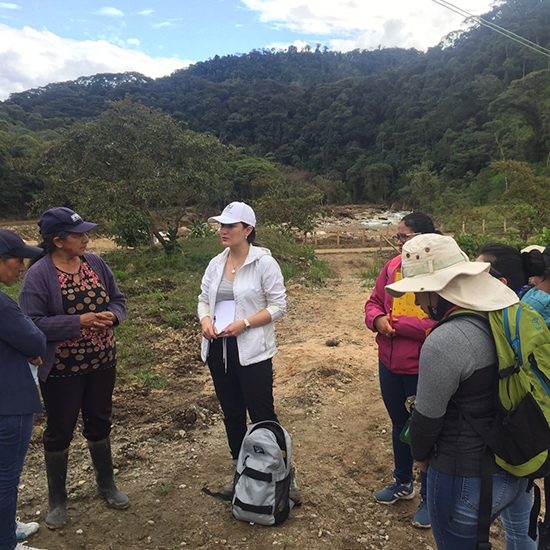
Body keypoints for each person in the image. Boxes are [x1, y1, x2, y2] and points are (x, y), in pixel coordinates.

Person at [386, 234, 535, 549]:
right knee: (520, 536)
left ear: (438, 290)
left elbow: (426, 421)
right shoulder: (511, 310)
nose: (416, 301)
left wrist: (420, 458)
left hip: (465, 478)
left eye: (420, 292)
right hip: (518, 464)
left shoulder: (447, 339)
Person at [18, 207, 128, 529]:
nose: (86, 239)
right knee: (59, 431)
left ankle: (106, 485)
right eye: (79, 235)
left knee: (100, 421)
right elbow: (31, 324)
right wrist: (77, 322)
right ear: (58, 240)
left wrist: (113, 316)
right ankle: (57, 501)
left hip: (102, 362)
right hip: (63, 369)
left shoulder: (95, 263)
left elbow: (117, 299)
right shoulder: (38, 275)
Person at [197, 202, 296, 498]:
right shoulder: (216, 263)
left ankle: (283, 476)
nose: (223, 231)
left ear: (248, 230)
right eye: (221, 226)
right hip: (218, 349)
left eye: (230, 226)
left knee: (263, 415)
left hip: (252, 352)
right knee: (232, 413)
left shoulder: (264, 263)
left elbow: (279, 305)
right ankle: (240, 471)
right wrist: (204, 320)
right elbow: (204, 298)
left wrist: (245, 324)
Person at [364, 212, 437, 528]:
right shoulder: (392, 267)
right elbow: (373, 302)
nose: (398, 242)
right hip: (389, 364)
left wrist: (397, 325)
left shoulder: (439, 275)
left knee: (425, 433)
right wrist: (377, 320)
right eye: (398, 236)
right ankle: (403, 483)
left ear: (421, 239)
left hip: (420, 368)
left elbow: (437, 323)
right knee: (399, 425)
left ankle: (430, 499)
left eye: (403, 236)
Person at [0, 229, 47, 550]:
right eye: (17, 261)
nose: (21, 268)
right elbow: (34, 339)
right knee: (6, 477)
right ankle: (6, 541)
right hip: (10, 401)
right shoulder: (3, 305)